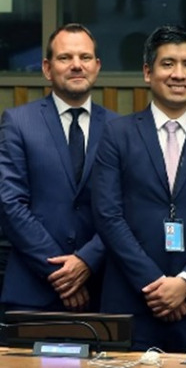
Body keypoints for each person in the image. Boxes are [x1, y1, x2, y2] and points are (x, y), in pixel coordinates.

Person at [91, 24, 186, 351]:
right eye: (168, 63)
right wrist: (156, 286)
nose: (179, 74)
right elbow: (108, 216)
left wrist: (185, 284)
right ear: (148, 72)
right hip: (130, 303)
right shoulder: (117, 135)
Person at [0, 23, 111, 312]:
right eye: (65, 58)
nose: (77, 65)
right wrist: (61, 273)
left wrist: (87, 260)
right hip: (32, 290)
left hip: (100, 289)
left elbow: (126, 208)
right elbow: (10, 204)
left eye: (85, 58)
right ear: (47, 68)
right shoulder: (18, 123)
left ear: (96, 66)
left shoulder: (119, 129)